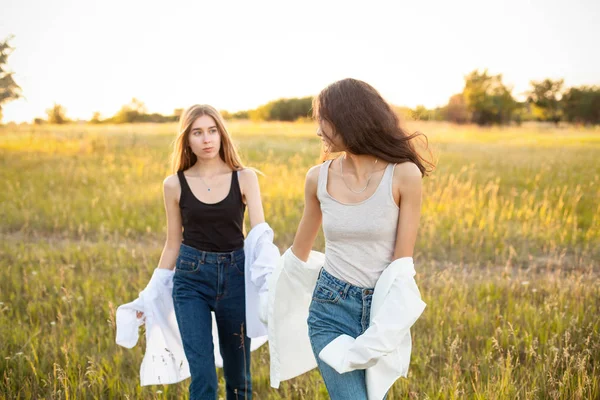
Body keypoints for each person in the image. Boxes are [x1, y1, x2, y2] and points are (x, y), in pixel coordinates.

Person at [290, 78, 433, 399]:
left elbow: (401, 264)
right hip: (330, 309)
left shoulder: (404, 174)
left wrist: (389, 323)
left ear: (348, 119)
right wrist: (270, 292)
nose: (317, 131)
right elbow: (298, 255)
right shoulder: (317, 178)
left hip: (381, 306)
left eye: (322, 121)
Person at [157, 104, 265, 399]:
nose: (207, 139)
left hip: (237, 278)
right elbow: (173, 242)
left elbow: (260, 234)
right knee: (203, 379)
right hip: (191, 280)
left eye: (212, 130)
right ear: (187, 140)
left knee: (238, 378)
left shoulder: (244, 178)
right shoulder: (174, 184)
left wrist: (269, 274)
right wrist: (153, 288)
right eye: (198, 132)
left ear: (221, 134)